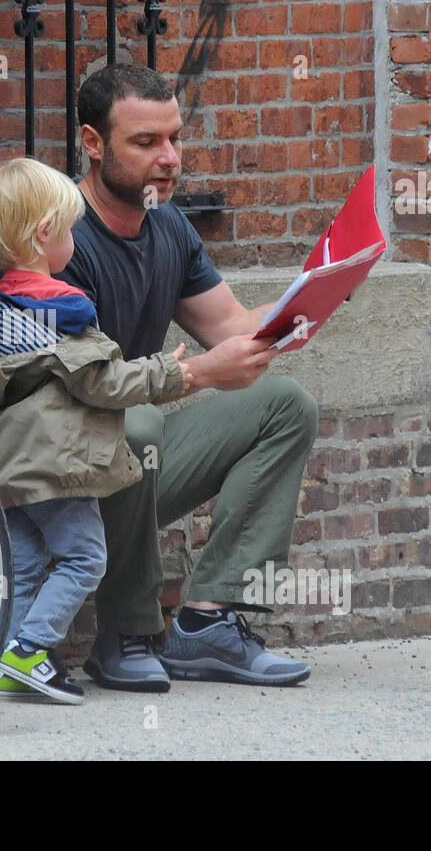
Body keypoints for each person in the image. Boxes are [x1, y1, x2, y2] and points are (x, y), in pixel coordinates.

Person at [56, 62, 319, 690]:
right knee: (138, 422)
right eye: (146, 143)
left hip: (129, 466)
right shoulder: (56, 234)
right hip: (51, 472)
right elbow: (83, 387)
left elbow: (230, 327)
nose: (169, 158)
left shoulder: (168, 225)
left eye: (174, 137)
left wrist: (310, 299)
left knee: (285, 406)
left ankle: (206, 626)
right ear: (93, 144)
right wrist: (198, 375)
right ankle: (123, 634)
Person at [0, 156, 193, 704]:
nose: (76, 241)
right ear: (44, 235)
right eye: (71, 228)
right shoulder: (65, 309)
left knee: (28, 562)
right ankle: (31, 650)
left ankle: (10, 666)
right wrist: (171, 372)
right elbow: (100, 382)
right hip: (56, 466)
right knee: (85, 558)